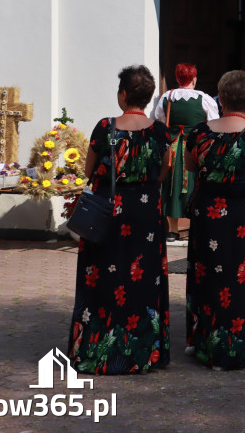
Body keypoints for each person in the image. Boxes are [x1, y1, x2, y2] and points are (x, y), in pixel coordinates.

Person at [68, 65, 171, 374]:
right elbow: (163, 172)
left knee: (101, 279)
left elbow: (89, 170)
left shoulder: (105, 127)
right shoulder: (160, 131)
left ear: (123, 95)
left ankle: (99, 351)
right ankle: (142, 352)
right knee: (144, 279)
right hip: (145, 213)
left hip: (108, 210)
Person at [184, 70, 245, 369]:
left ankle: (208, 342)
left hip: (211, 214)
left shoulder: (200, 132)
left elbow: (190, 164)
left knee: (210, 275)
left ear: (220, 98)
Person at [153, 63, 220, 241]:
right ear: (194, 78)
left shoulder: (168, 96)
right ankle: (194, 226)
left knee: (172, 186)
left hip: (174, 147)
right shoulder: (204, 98)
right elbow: (214, 122)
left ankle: (173, 230)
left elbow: (158, 118)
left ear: (177, 78)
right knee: (195, 183)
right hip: (195, 147)